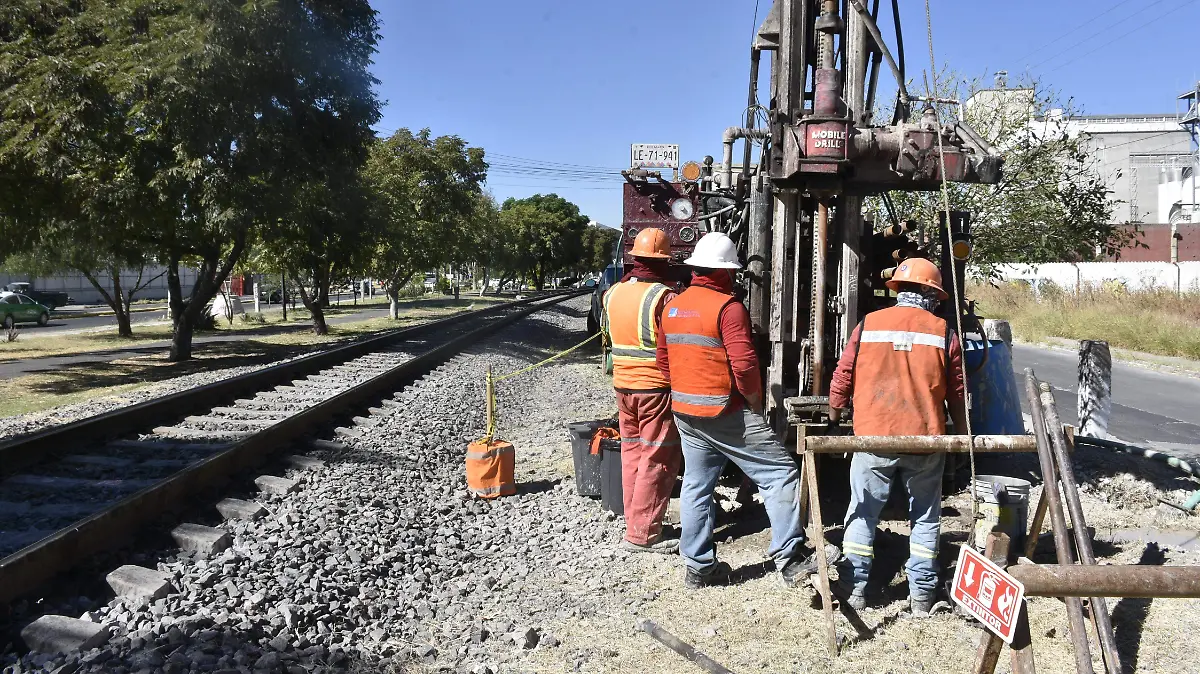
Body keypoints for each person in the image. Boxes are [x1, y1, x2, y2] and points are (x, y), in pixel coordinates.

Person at [657, 232, 836, 589]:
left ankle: (697, 568)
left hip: (686, 410)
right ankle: (791, 559)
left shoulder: (673, 306)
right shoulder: (728, 307)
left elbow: (664, 361)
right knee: (780, 473)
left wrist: (687, 389)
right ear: (725, 271)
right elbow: (744, 366)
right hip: (725, 412)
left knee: (696, 485)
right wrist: (754, 401)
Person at [828, 257, 968, 615]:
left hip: (874, 437)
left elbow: (843, 374)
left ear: (900, 291)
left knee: (862, 512)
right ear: (927, 293)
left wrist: (834, 415)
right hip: (925, 440)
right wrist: (963, 435)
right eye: (935, 295)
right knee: (925, 517)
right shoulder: (944, 333)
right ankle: (922, 595)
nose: (936, 302)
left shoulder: (868, 324)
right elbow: (957, 392)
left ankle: (853, 588)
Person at [601, 228, 682, 553]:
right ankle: (643, 534)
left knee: (633, 453)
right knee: (657, 458)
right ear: (662, 260)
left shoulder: (613, 293)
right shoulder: (663, 297)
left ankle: (634, 521)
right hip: (655, 390)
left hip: (623, 387)